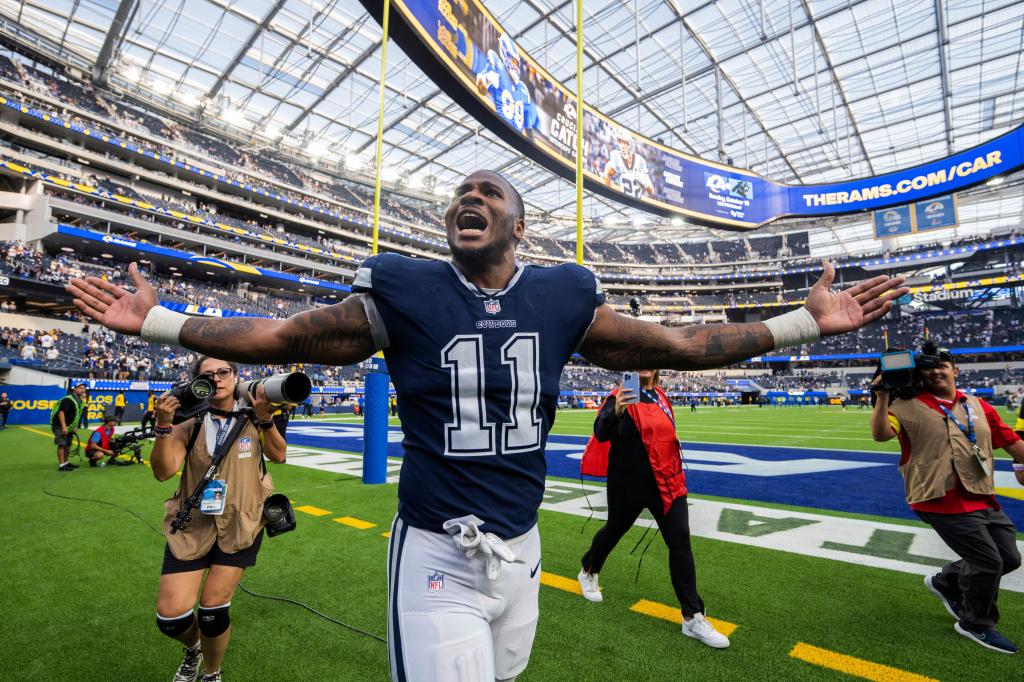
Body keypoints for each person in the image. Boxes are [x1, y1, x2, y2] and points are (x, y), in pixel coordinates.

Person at [68, 169, 907, 682]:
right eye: (460, 193)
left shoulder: (564, 295)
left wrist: (802, 324)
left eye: (488, 193)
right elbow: (285, 337)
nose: (469, 197)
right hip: (437, 545)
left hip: (523, 547)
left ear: (516, 225)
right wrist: (159, 322)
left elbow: (684, 345)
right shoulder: (404, 290)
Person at [871, 342, 1024, 654]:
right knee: (988, 560)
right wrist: (883, 396)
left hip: (980, 494)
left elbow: (1010, 440)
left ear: (956, 370)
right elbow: (881, 434)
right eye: (929, 367)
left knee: (1009, 558)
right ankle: (976, 623)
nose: (936, 370)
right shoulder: (905, 406)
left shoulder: (979, 405)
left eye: (943, 364)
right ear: (921, 375)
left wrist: (1021, 463)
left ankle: (947, 581)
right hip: (937, 497)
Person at [150, 356, 286, 682]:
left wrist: (266, 420)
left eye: (223, 372)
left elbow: (279, 455)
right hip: (192, 523)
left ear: (236, 377)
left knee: (212, 612)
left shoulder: (259, 414)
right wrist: (163, 426)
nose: (217, 379)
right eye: (208, 375)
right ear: (198, 383)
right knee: (171, 617)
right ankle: (193, 648)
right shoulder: (189, 422)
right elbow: (163, 471)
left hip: (243, 521)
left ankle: (212, 673)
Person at [578, 370, 728, 648]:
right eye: (638, 360)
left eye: (650, 358)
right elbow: (600, 433)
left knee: (680, 540)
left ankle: (692, 616)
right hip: (627, 486)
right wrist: (618, 411)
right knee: (614, 531)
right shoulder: (618, 397)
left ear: (657, 366)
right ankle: (588, 570)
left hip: (666, 484)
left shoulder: (661, 396)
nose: (644, 365)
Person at [51, 382, 86, 472]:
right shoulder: (68, 399)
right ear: (75, 389)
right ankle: (62, 465)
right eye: (80, 388)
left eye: (83, 388)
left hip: (70, 426)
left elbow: (78, 414)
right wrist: (64, 427)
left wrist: (75, 427)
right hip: (59, 425)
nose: (82, 390)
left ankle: (66, 462)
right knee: (62, 444)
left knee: (68, 445)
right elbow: (61, 413)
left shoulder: (81, 401)